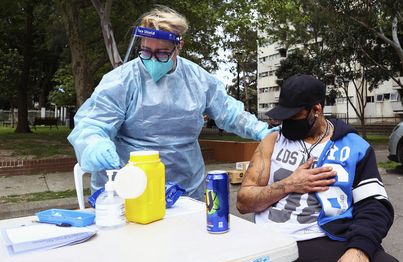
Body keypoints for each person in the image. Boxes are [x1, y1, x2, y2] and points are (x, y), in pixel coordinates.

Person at [68, 5, 275, 201]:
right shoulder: (122, 80)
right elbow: (92, 124)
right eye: (146, 51)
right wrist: (94, 144)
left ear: (179, 47)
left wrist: (262, 131)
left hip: (185, 189)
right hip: (130, 188)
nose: (153, 60)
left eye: (162, 53)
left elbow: (229, 113)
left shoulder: (198, 79)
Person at [236, 74, 403, 262]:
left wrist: (359, 249)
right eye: (283, 117)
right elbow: (243, 201)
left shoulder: (354, 146)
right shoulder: (272, 141)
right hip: (271, 241)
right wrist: (288, 184)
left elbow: (374, 205)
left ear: (316, 110)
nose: (285, 123)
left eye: (293, 116)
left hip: (327, 239)